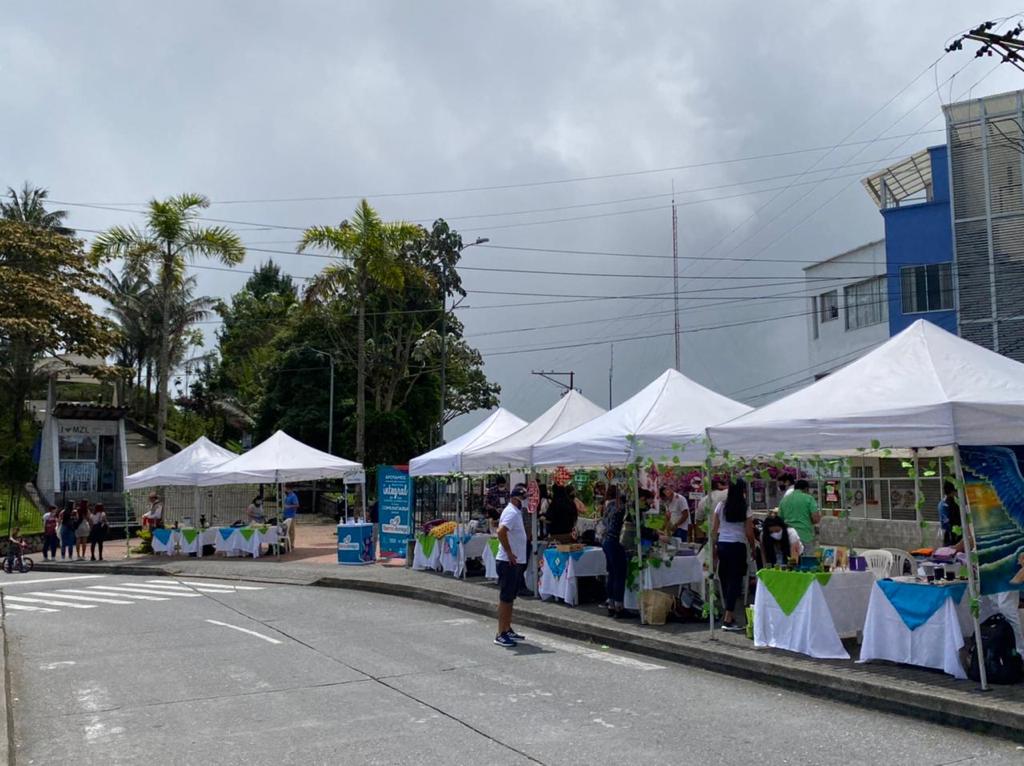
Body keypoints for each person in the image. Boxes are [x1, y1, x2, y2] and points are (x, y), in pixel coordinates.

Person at [712, 478, 755, 632]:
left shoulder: (721, 506)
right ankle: (728, 617)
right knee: (735, 580)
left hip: (722, 544)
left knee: (725, 579)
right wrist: (753, 547)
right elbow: (749, 532)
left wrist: (713, 549)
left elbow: (714, 530)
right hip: (738, 546)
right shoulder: (745, 508)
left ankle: (728, 612)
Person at [494, 485, 529, 648]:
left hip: (514, 561)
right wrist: (509, 552)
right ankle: (500, 632)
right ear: (515, 498)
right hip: (508, 561)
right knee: (505, 597)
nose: (524, 502)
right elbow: (501, 532)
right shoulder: (511, 512)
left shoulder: (516, 512)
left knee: (510, 597)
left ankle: (507, 628)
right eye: (522, 498)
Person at [601, 486, 627, 618]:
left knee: (611, 573)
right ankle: (619, 606)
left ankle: (611, 603)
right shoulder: (620, 508)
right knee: (619, 574)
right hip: (615, 541)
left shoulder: (608, 507)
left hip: (605, 541)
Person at [779, 479, 821, 553]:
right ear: (806, 489)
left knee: (792, 561)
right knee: (807, 561)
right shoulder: (809, 498)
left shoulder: (784, 500)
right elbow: (815, 519)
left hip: (789, 536)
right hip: (805, 535)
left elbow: (780, 519)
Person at [694, 478, 728, 543]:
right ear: (718, 485)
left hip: (711, 533)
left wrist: (700, 537)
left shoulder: (703, 500)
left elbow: (699, 520)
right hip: (727, 533)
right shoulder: (726, 494)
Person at [938, 481, 963, 547]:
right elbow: (957, 522)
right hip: (955, 537)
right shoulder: (953, 504)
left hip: (947, 535)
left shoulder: (942, 502)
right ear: (953, 491)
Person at [283, 483, 300, 548]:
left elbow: (297, 505)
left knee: (291, 531)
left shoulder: (293, 496)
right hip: (285, 515)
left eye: (284, 488)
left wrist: (289, 506)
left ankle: (291, 544)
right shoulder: (287, 495)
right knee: (286, 530)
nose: (284, 489)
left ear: (288, 488)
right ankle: (286, 543)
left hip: (291, 515)